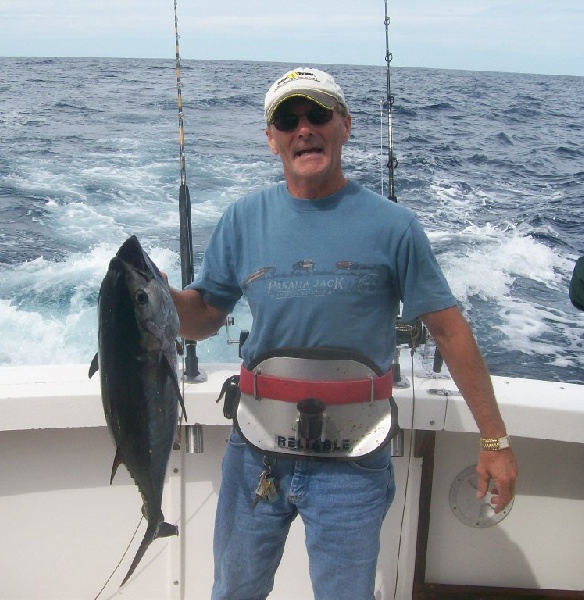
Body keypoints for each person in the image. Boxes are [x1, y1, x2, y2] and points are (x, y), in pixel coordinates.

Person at [168, 67, 518, 600]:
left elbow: (449, 331)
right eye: (288, 119)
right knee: (233, 591)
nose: (303, 128)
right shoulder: (242, 219)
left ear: (345, 126)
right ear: (271, 140)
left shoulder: (394, 226)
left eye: (318, 114)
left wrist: (494, 440)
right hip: (257, 451)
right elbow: (203, 319)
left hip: (355, 459)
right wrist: (155, 297)